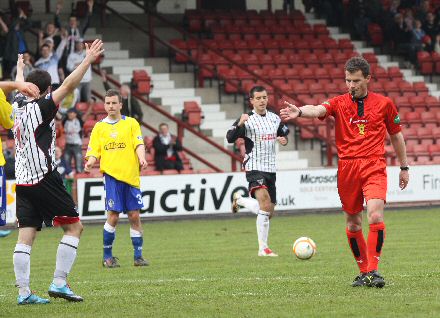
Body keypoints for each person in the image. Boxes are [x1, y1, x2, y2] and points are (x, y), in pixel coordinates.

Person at [280, 56, 409, 288]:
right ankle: (364, 272)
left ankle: (373, 270)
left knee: (376, 215)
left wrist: (404, 166)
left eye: (356, 80)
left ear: (368, 78)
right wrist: (299, 111)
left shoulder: (384, 104)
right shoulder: (339, 102)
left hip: (373, 164)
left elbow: (396, 135)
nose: (351, 85)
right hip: (347, 167)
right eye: (348, 80)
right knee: (352, 223)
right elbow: (318, 108)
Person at [11, 39, 104, 305]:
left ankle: (24, 292)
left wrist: (19, 68)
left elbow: (21, 85)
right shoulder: (41, 108)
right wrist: (87, 60)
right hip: (44, 177)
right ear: (45, 90)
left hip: (23, 180)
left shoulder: (17, 104)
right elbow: (69, 85)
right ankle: (59, 282)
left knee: (25, 236)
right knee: (74, 228)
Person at [84, 89, 149, 268]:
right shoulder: (99, 127)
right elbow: (93, 149)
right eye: (108, 103)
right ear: (104, 105)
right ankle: (107, 257)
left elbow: (138, 143)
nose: (111, 106)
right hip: (112, 177)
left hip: (131, 176)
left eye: (114, 103)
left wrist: (142, 158)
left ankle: (138, 256)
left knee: (134, 215)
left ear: (121, 104)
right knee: (113, 216)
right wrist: (90, 162)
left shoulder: (131, 123)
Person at [226, 86, 289, 257]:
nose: (262, 101)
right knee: (265, 205)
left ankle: (240, 201)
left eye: (264, 97)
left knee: (269, 211)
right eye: (258, 98)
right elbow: (230, 137)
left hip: (270, 168)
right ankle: (263, 249)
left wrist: (283, 139)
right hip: (254, 166)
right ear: (252, 101)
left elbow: (284, 131)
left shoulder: (274, 118)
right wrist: (239, 122)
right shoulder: (247, 119)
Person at [62, 108, 84, 172]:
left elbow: (87, 115)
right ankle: (67, 175)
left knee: (78, 161)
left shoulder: (79, 121)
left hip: (76, 145)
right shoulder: (65, 122)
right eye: (69, 113)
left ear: (75, 114)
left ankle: (79, 174)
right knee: (66, 161)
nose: (69, 114)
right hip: (68, 144)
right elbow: (60, 117)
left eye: (71, 113)